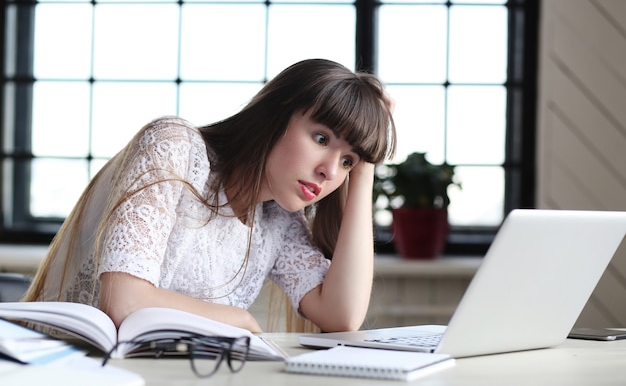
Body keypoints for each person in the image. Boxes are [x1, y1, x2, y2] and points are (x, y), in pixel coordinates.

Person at [23, 58, 396, 334]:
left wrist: (366, 167)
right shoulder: (176, 147)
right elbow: (124, 302)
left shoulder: (277, 220)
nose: (330, 171)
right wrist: (238, 320)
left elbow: (342, 314)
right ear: (275, 115)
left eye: (346, 161)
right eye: (321, 139)